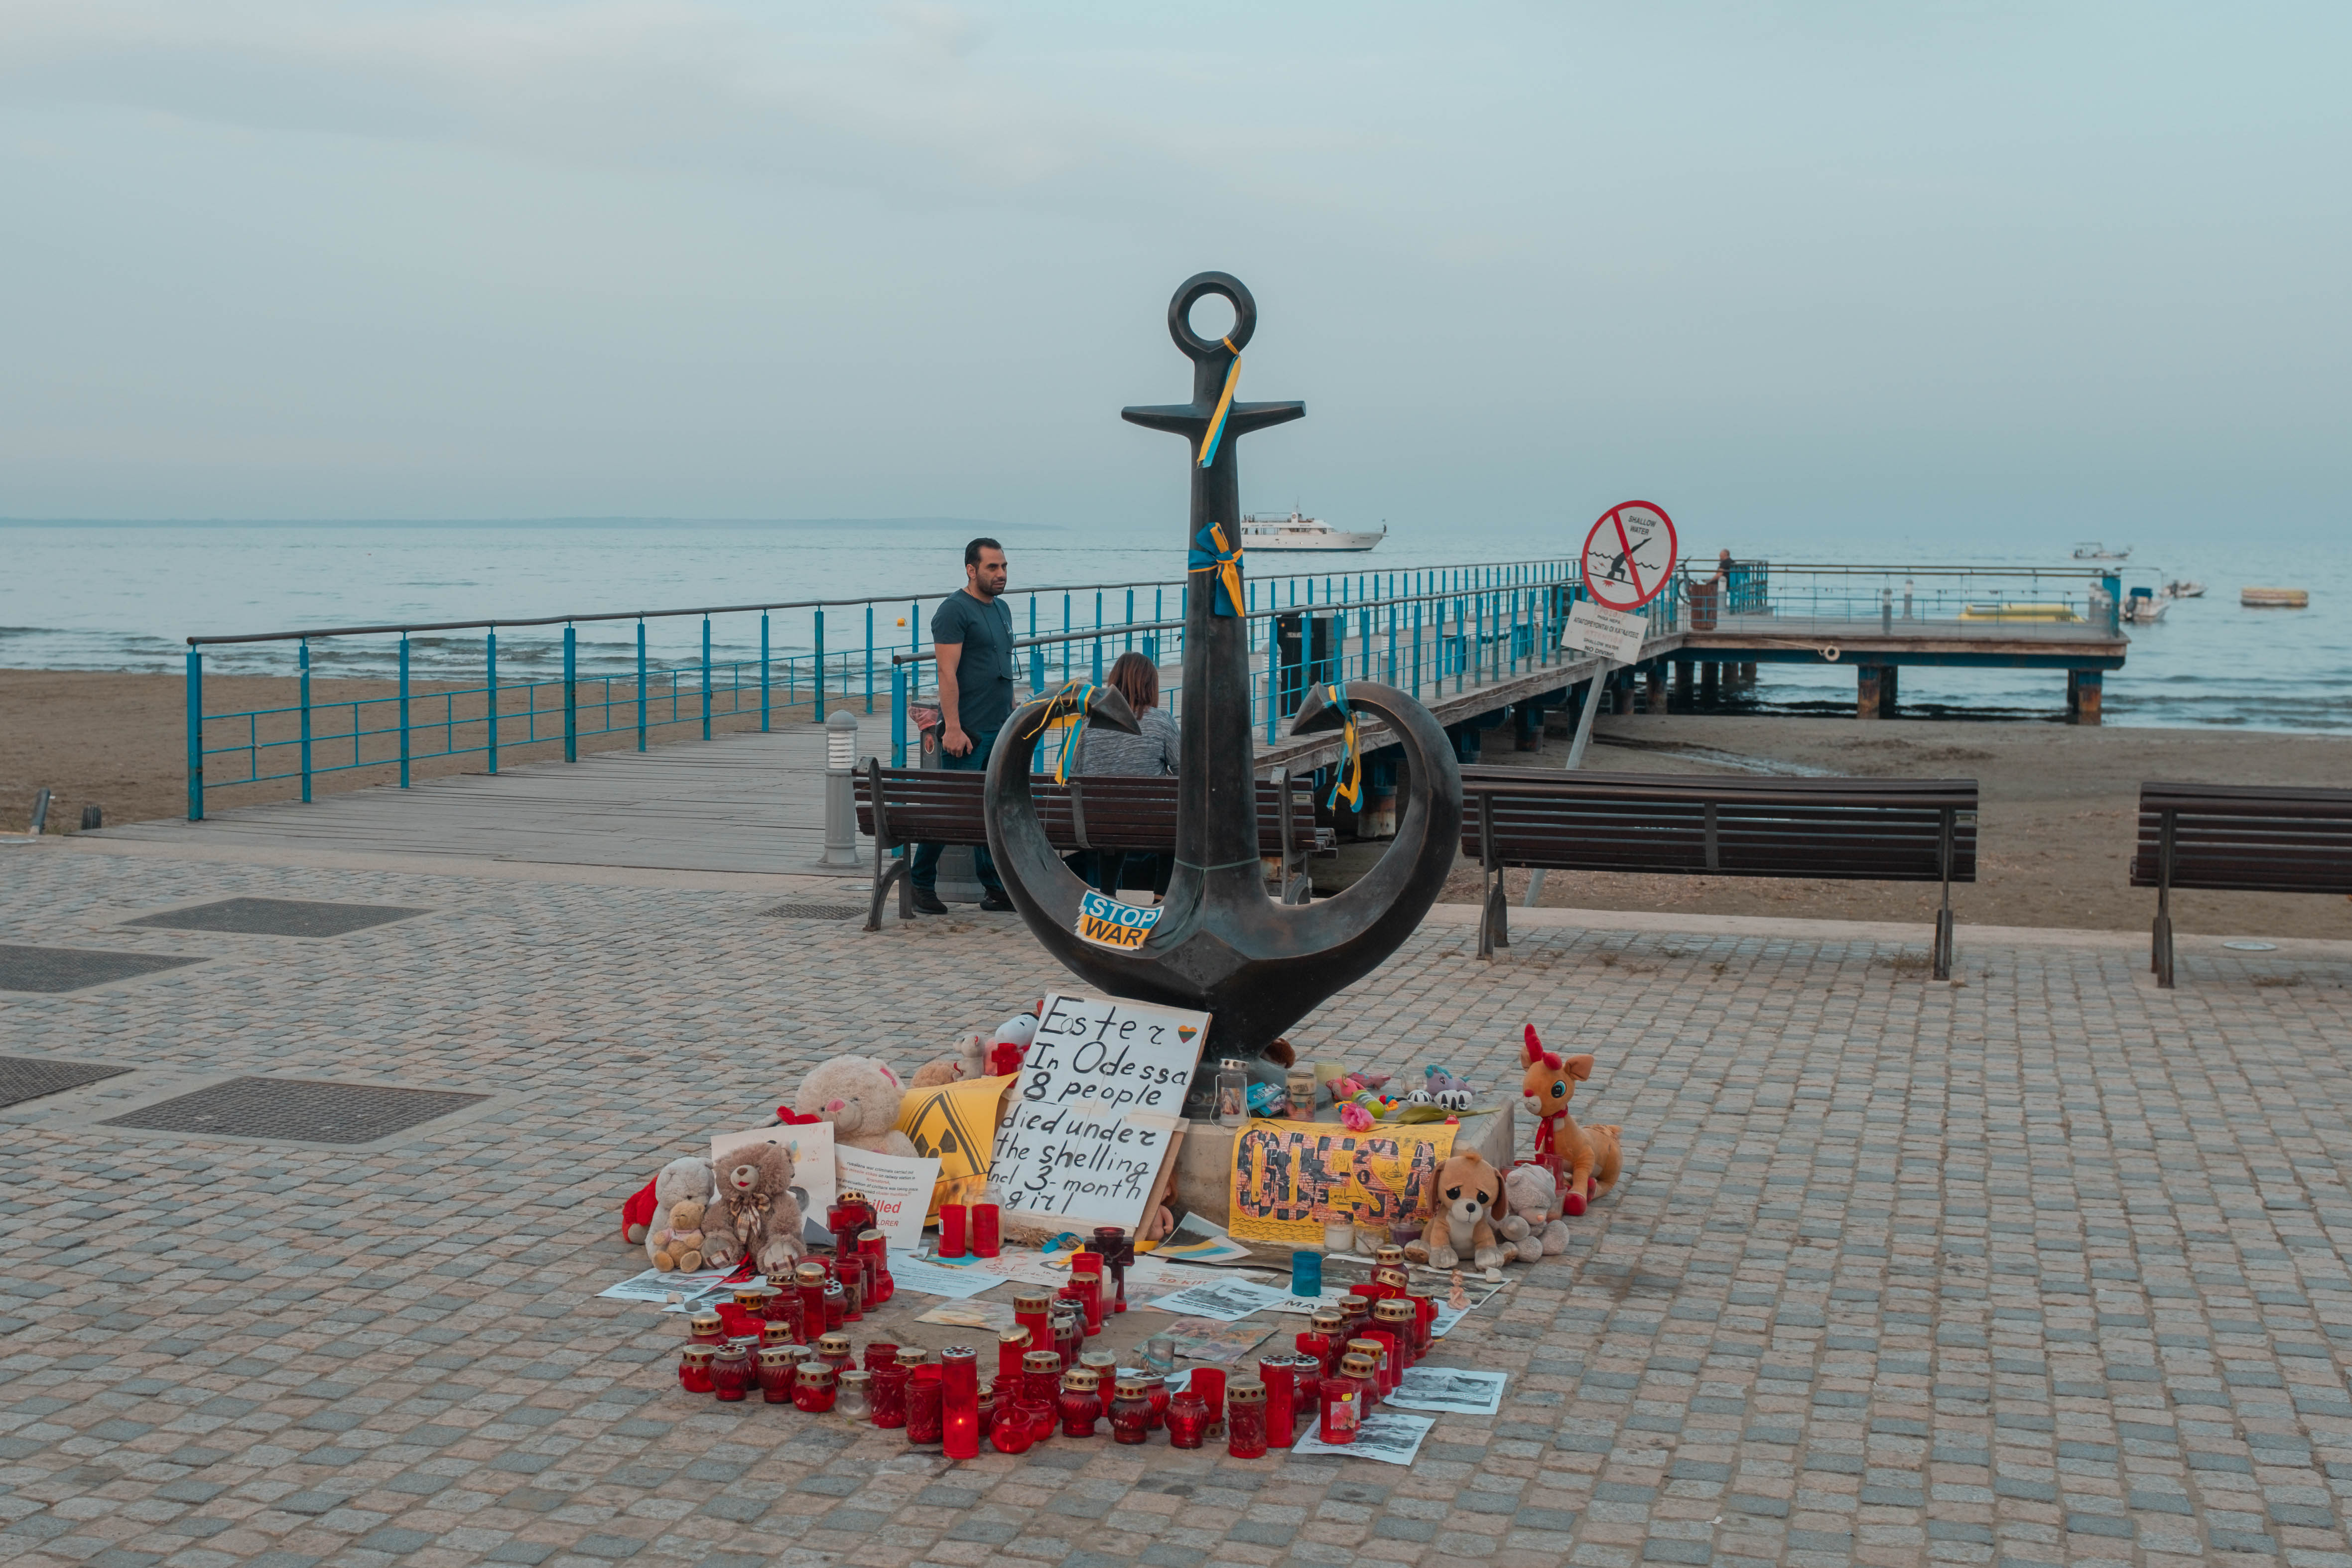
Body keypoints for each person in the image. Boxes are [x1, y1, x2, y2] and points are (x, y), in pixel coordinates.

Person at [911, 539, 1017, 914]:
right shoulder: (954, 611)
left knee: (992, 810)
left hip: (1000, 727)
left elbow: (1000, 664)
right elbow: (946, 672)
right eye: (992, 567)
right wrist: (952, 728)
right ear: (972, 570)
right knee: (951, 810)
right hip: (968, 731)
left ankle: (996, 889)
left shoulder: (1002, 608)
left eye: (1004, 566)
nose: (1001, 574)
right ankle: (919, 883)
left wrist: (1012, 708)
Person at [1070, 650, 1178, 898]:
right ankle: (1160, 897)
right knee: (1176, 821)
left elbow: (1076, 773)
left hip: (1097, 822)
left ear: (1114, 682)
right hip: (1149, 823)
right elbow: (1184, 771)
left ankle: (1108, 893)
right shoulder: (1162, 721)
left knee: (1112, 811)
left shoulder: (1087, 722)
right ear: (1151, 685)